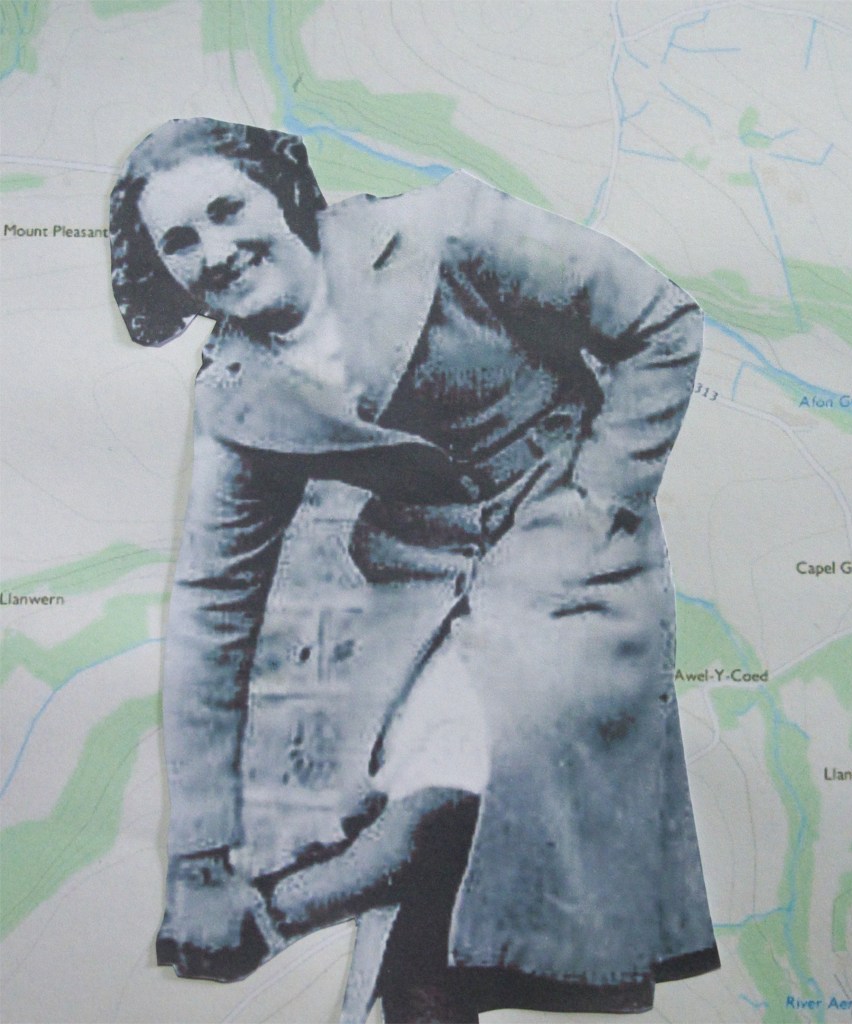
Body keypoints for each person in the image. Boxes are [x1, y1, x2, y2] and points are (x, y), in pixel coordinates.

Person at [110, 117, 719, 1022]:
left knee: (447, 792)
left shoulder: (451, 228)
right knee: (428, 905)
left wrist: (601, 501)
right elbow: (212, 607)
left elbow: (661, 323)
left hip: (578, 551)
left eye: (228, 210)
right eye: (181, 241)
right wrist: (199, 856)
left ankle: (279, 915)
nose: (216, 251)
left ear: (284, 193)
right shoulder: (235, 396)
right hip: (423, 588)